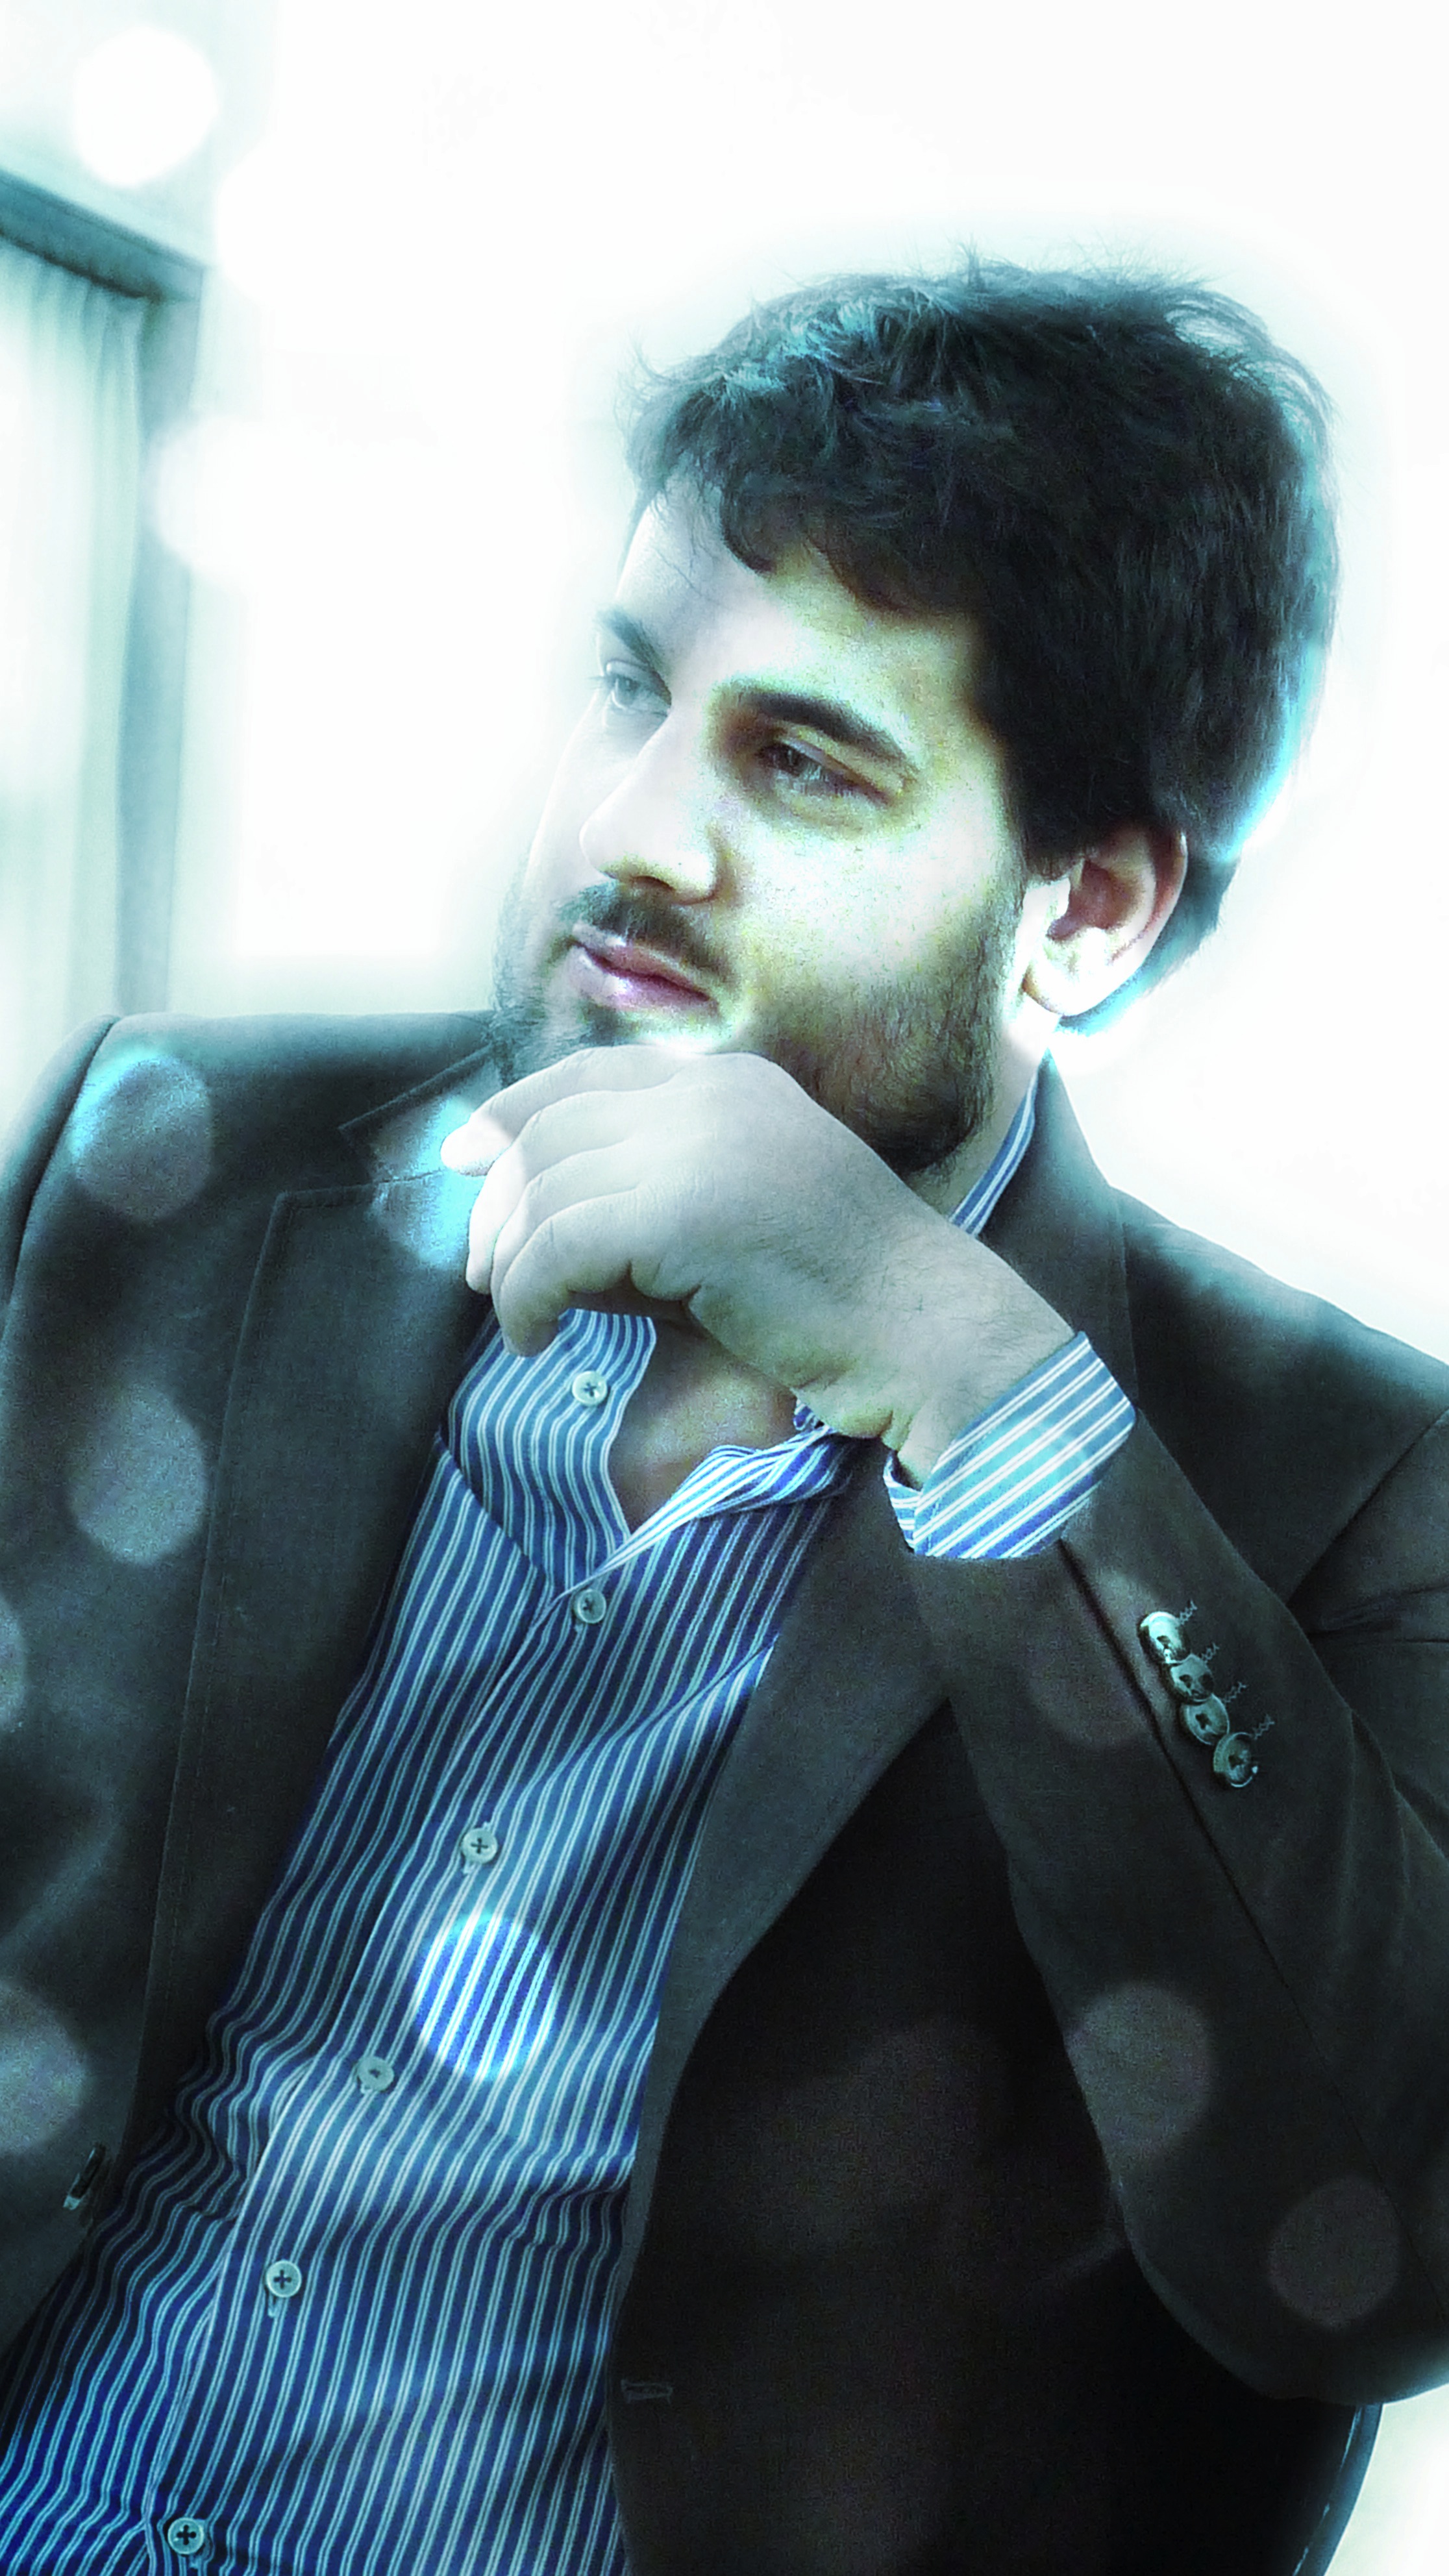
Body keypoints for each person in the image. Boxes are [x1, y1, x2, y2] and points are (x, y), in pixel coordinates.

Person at [0, 260, 1446, 2576]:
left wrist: (956, 1363)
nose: (633, 830)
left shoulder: (1343, 1481)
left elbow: (1370, 2240)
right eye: (629, 689)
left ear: (1084, 915)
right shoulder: (168, 1163)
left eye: (805, 762)